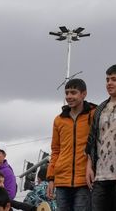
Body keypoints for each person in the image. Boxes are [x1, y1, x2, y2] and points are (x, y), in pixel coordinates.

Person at [47, 78, 96, 211]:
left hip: (84, 179)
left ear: (84, 94)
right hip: (62, 179)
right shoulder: (59, 120)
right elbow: (55, 150)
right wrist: (51, 178)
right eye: (67, 93)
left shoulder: (94, 114)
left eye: (73, 92)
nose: (69, 96)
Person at [86, 65, 116, 211]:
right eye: (107, 80)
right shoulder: (100, 108)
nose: (109, 83)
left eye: (114, 79)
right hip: (99, 175)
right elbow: (92, 139)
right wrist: (89, 167)